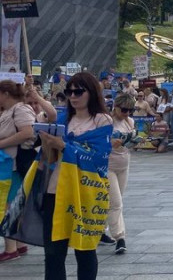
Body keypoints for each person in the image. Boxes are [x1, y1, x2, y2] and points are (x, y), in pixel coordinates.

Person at [37, 72, 113, 279]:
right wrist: (47, 141)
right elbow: (49, 158)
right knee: (53, 252)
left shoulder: (101, 120)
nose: (72, 96)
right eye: (68, 92)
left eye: (78, 91)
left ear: (91, 92)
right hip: (56, 189)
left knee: (85, 249)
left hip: (85, 191)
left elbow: (98, 157)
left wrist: (64, 146)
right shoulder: (62, 120)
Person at [0, 80, 35, 263]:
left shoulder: (20, 109)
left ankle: (11, 248)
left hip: (13, 164)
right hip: (7, 164)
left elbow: (27, 132)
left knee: (8, 205)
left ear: (6, 93)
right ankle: (18, 244)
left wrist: (2, 143)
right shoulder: (8, 111)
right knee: (12, 203)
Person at [106, 93, 136, 254]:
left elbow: (129, 143)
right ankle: (120, 237)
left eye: (130, 110)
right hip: (108, 166)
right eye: (124, 110)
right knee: (116, 203)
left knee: (113, 201)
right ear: (115, 107)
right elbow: (98, 143)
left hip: (124, 164)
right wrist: (111, 143)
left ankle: (100, 229)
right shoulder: (107, 121)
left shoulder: (129, 121)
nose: (127, 113)